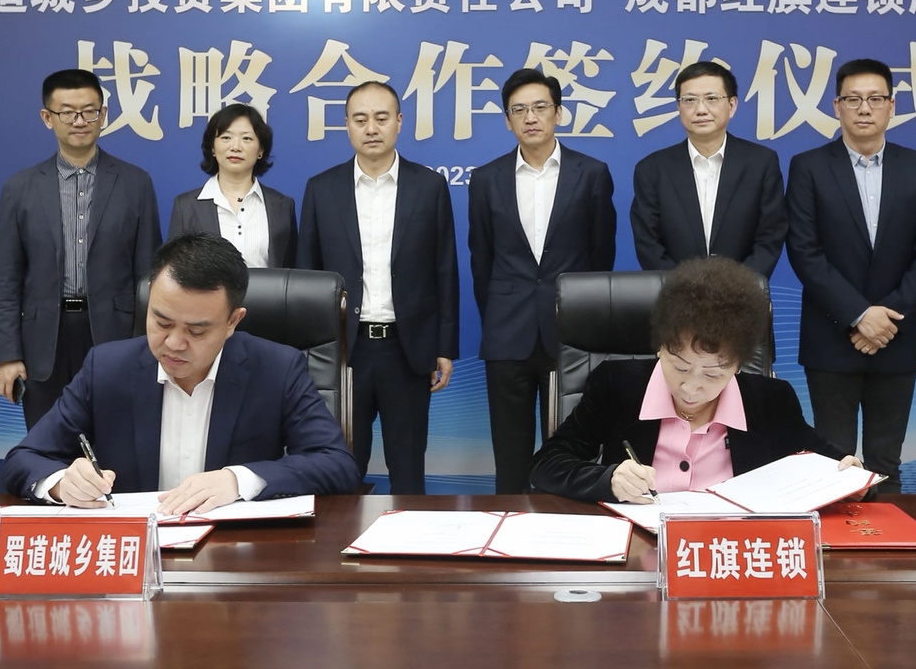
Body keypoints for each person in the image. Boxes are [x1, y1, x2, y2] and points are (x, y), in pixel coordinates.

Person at [0, 233, 359, 510]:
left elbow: (337, 464)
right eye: (162, 322)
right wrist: (62, 483)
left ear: (233, 322)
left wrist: (238, 480)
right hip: (135, 556)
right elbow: (23, 460)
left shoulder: (277, 369)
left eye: (196, 331)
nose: (173, 343)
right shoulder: (106, 368)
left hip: (234, 559)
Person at [531, 257, 858, 503]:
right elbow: (547, 464)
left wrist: (854, 482)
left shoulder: (771, 401)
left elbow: (837, 468)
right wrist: (608, 479)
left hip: (730, 553)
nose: (691, 387)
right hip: (643, 552)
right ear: (660, 347)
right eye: (680, 367)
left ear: (738, 365)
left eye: (713, 374)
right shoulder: (616, 385)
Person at [785, 58, 916, 494]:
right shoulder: (808, 166)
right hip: (831, 337)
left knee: (886, 462)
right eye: (853, 99)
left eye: (875, 98)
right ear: (836, 106)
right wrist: (858, 315)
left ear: (892, 105)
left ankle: (887, 538)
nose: (864, 108)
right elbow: (805, 252)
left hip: (896, 338)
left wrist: (884, 319)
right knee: (833, 463)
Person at [297, 80, 458, 494]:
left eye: (381, 118)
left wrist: (444, 347)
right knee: (340, 467)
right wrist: (311, 351)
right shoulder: (321, 188)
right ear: (347, 126)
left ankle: (408, 535)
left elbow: (445, 270)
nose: (372, 128)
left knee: (408, 467)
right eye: (361, 119)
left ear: (399, 122)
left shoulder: (429, 186)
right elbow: (308, 275)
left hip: (407, 349)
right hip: (343, 352)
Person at [468, 68, 616, 494]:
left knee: (571, 451)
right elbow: (482, 259)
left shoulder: (591, 173)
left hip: (570, 333)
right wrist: (499, 312)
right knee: (509, 454)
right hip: (506, 333)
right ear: (507, 120)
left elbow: (600, 258)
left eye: (539, 107)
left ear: (558, 113)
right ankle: (509, 522)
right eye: (519, 110)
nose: (530, 117)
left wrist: (582, 319)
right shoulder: (486, 178)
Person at [0, 69, 162, 429]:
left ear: (103, 114)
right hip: (44, 341)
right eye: (67, 112)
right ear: (47, 118)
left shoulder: (135, 183)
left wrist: (146, 347)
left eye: (89, 111)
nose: (79, 121)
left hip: (115, 335)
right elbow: (7, 279)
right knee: (47, 443)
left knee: (115, 441)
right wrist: (8, 355)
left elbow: (149, 275)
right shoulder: (20, 187)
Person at [630, 60, 786, 279]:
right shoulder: (652, 169)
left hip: (744, 294)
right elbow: (648, 244)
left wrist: (737, 287)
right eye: (690, 100)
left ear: (732, 105)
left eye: (712, 99)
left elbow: (770, 238)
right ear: (678, 107)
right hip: (675, 294)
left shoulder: (761, 163)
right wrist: (683, 290)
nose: (701, 110)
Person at [168, 103, 296, 268]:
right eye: (226, 138)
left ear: (261, 150)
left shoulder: (282, 206)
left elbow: (291, 272)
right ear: (213, 148)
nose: (235, 147)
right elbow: (175, 269)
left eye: (246, 138)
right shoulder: (186, 206)